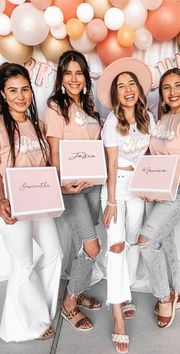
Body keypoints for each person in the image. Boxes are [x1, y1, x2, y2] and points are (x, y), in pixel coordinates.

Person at [138, 68, 180, 329]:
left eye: (178, 85)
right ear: (162, 94)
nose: (173, 91)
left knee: (146, 242)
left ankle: (163, 296)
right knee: (164, 239)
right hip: (158, 185)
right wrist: (148, 185)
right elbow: (153, 156)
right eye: (167, 87)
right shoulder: (164, 117)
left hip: (179, 187)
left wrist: (167, 188)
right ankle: (177, 291)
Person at [0, 63, 63, 342]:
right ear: (2, 94)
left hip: (39, 202)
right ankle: (20, 326)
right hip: (12, 205)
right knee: (23, 265)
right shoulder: (1, 126)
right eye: (12, 90)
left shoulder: (37, 126)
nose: (20, 96)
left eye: (24, 89)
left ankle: (43, 313)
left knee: (54, 254)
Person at [97, 57, 155, 353]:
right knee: (116, 246)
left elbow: (149, 157)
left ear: (139, 90)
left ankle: (126, 292)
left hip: (138, 189)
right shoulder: (111, 122)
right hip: (116, 188)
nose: (128, 89)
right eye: (121, 86)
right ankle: (117, 314)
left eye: (132, 83)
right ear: (116, 95)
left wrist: (149, 186)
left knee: (132, 243)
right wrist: (110, 201)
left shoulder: (148, 118)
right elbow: (111, 163)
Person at [45, 50, 102, 332]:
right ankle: (69, 304)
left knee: (83, 244)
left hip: (93, 186)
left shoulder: (91, 106)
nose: (74, 78)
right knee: (93, 246)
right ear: (61, 77)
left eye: (79, 72)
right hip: (70, 190)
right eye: (67, 73)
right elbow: (54, 150)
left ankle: (77, 291)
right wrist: (61, 184)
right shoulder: (56, 106)